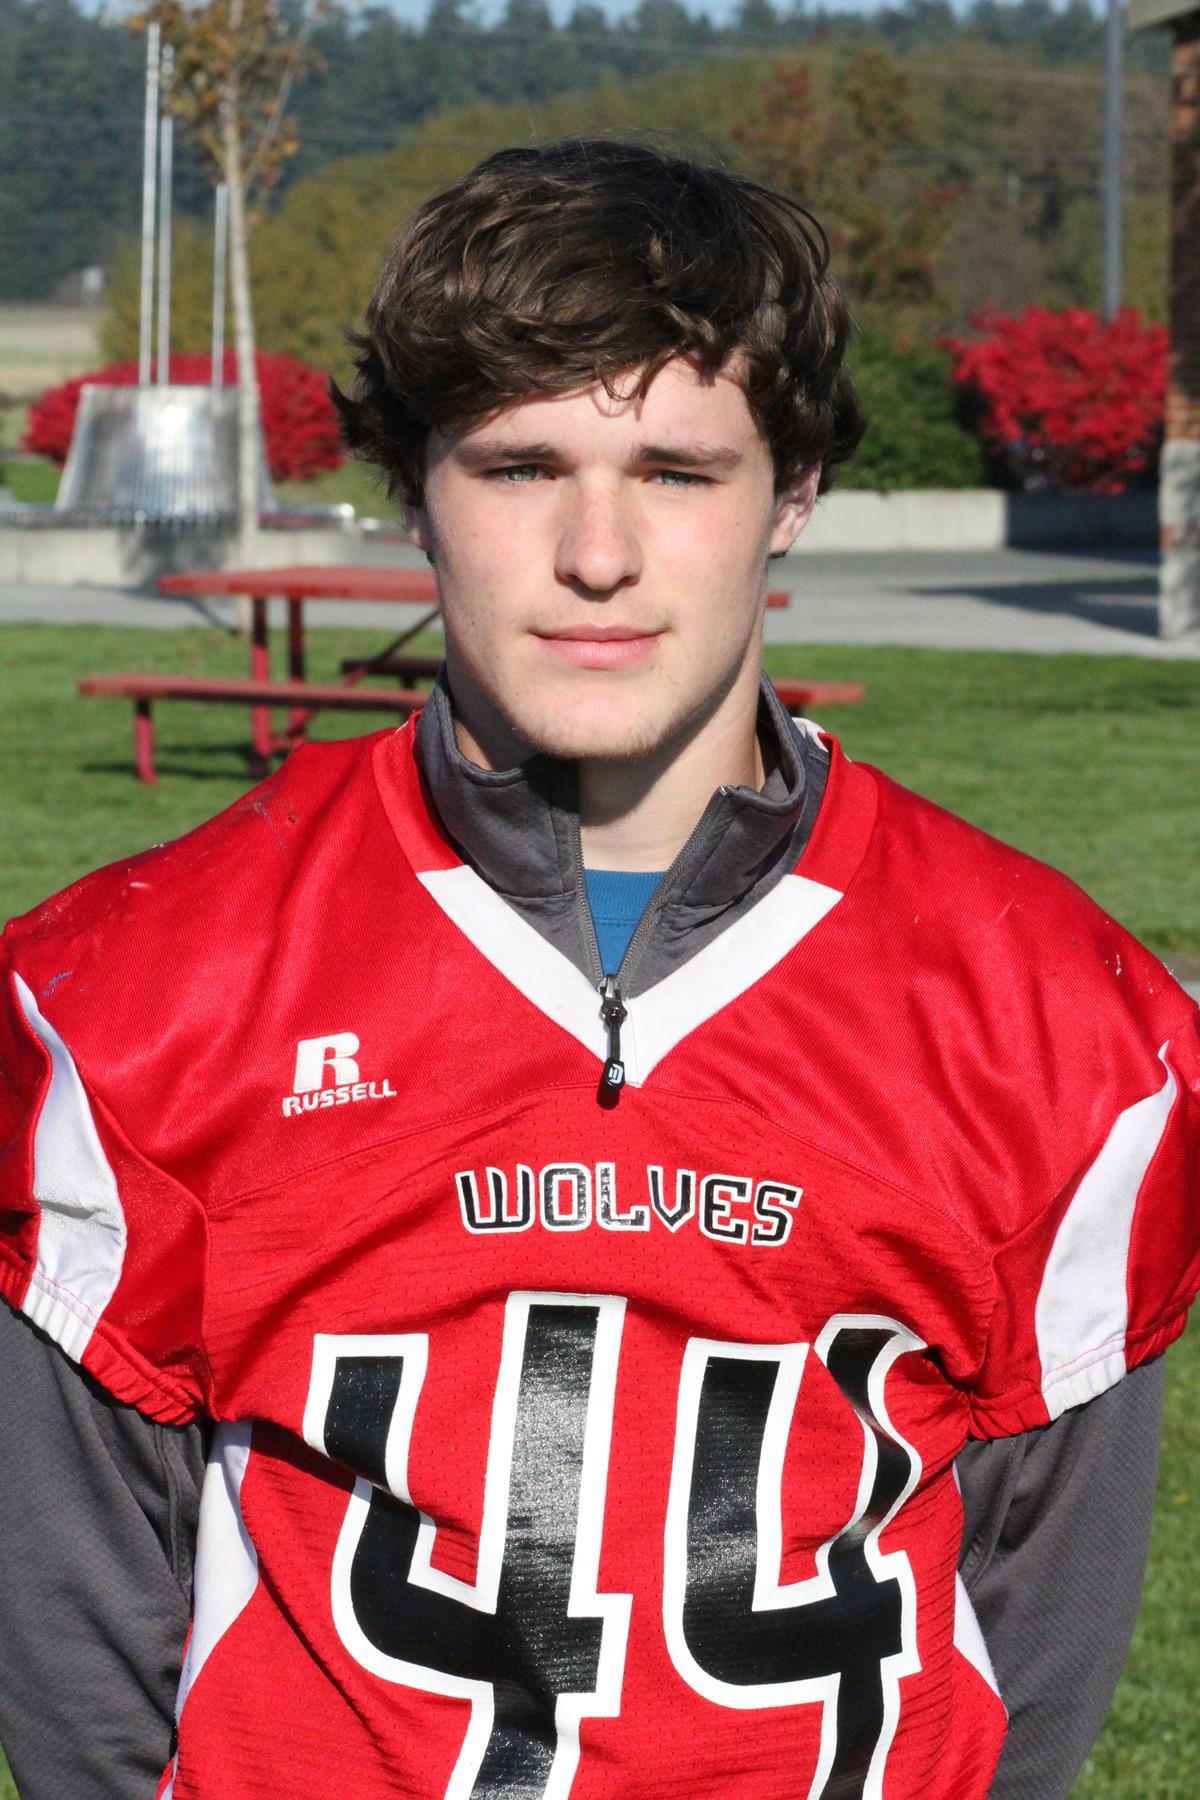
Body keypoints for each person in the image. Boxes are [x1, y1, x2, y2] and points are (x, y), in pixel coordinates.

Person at [0, 140, 1196, 1800]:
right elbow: (82, 1666)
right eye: (519, 465)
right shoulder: (135, 992)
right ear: (415, 486)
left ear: (793, 490)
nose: (598, 554)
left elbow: (1025, 1675)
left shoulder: (1064, 1027)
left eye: (680, 472)